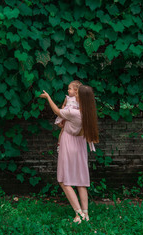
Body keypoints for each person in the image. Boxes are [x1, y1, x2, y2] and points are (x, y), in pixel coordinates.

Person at [40, 85, 99, 224]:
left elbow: (57, 111)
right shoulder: (89, 112)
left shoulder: (74, 112)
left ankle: (79, 213)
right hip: (80, 146)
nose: (75, 94)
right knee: (80, 180)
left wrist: (48, 97)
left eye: (78, 93)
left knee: (63, 180)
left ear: (82, 98)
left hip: (69, 144)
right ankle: (85, 213)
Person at [55, 80, 82, 152]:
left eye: (70, 89)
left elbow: (80, 108)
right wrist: (63, 109)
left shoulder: (78, 99)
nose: (68, 90)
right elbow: (64, 105)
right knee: (62, 130)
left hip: (74, 117)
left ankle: (72, 145)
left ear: (76, 90)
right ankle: (59, 144)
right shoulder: (67, 98)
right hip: (66, 114)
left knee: (71, 131)